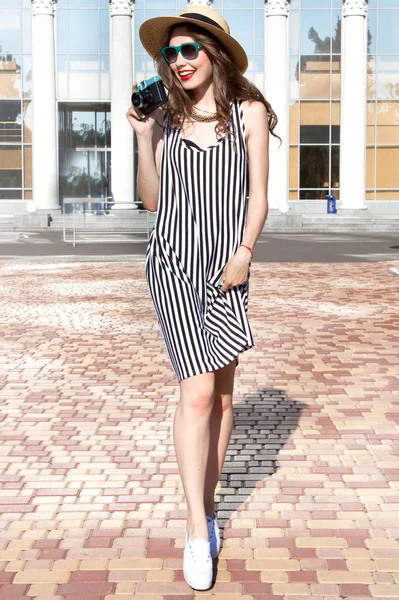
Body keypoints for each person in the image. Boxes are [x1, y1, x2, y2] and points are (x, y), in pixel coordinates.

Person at [127, 4, 279, 592]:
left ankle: (208, 508)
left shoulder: (249, 113)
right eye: (171, 53)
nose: (179, 61)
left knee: (220, 397)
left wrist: (244, 253)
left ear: (213, 53)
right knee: (194, 395)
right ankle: (197, 528)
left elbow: (259, 197)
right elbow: (150, 199)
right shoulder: (165, 120)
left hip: (228, 268)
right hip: (172, 266)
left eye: (190, 50)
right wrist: (144, 139)